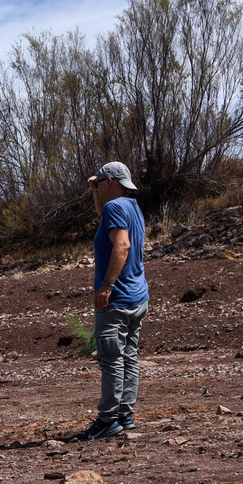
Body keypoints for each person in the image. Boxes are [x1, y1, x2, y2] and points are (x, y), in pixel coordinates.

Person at [73, 161, 148, 441]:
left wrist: (107, 285)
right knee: (128, 355)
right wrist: (95, 192)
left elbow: (123, 245)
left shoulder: (117, 208)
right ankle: (124, 415)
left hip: (116, 299)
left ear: (109, 182)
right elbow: (105, 213)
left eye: (100, 182)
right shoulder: (131, 207)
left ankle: (107, 420)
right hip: (137, 297)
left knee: (111, 358)